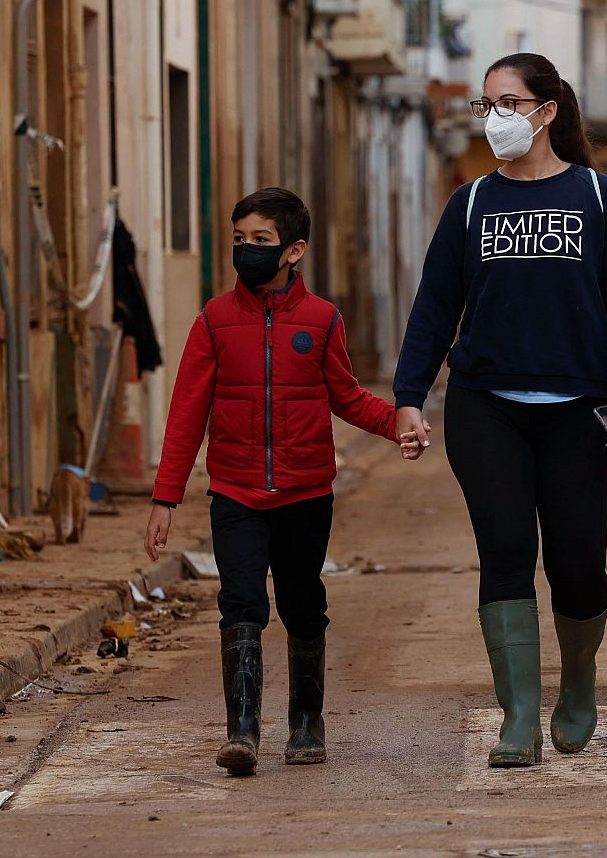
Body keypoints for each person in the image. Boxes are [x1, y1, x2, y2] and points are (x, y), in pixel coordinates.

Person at [394, 53, 607, 769]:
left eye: (508, 103)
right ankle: (517, 718)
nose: (495, 118)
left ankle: (578, 679)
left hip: (583, 410)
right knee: (506, 555)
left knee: (576, 565)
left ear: (546, 111)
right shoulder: (471, 204)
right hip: (486, 407)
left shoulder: (600, 198)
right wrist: (409, 398)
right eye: (487, 106)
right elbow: (435, 307)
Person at [144, 187, 424, 777]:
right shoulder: (214, 320)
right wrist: (166, 496)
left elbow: (345, 396)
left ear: (294, 250)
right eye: (239, 240)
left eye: (261, 241)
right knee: (239, 603)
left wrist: (396, 421)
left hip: (306, 494)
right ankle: (242, 732)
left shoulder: (321, 320)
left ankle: (305, 722)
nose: (247, 250)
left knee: (302, 604)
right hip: (235, 494)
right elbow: (187, 411)